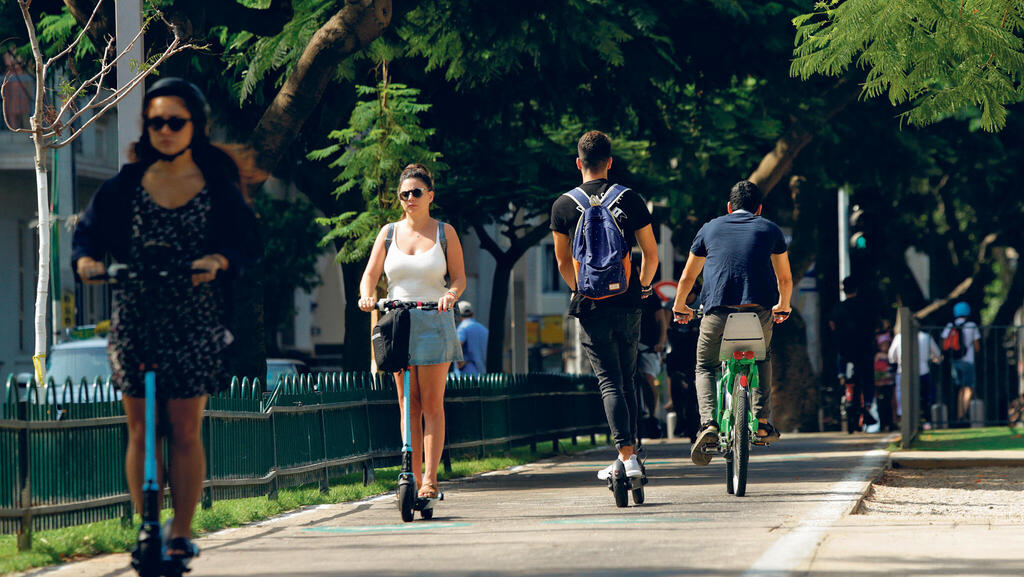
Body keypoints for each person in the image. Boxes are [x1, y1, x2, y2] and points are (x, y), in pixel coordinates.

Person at [72, 78, 260, 561]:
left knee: (184, 429)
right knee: (138, 428)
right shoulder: (127, 185)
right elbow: (86, 237)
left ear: (195, 126)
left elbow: (245, 243)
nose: (165, 131)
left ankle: (180, 530)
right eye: (156, 123)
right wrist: (87, 263)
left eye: (176, 122)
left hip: (193, 319)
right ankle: (146, 525)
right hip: (134, 316)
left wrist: (219, 261)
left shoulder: (216, 186)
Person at [550, 130, 659, 481]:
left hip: (591, 306)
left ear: (578, 163)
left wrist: (581, 288)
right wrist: (641, 288)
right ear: (609, 162)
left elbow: (564, 262)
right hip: (628, 301)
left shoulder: (563, 205)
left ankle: (625, 455)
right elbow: (651, 255)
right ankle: (633, 454)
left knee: (609, 382)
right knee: (627, 378)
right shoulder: (629, 199)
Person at [357, 163, 466, 500]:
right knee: (408, 403)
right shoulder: (388, 233)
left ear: (430, 195)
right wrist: (367, 297)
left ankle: (431, 481)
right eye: (404, 194)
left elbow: (460, 277)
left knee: (432, 403)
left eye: (416, 192)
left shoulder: (445, 232)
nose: (410, 199)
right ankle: (411, 475)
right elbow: (370, 274)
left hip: (434, 318)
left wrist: (451, 295)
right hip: (397, 321)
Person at [672, 180, 792, 465]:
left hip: (716, 312)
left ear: (729, 207)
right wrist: (783, 306)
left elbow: (689, 278)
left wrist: (680, 306)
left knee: (705, 365)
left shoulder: (709, 228)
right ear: (759, 209)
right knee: (762, 357)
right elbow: (784, 279)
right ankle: (762, 420)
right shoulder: (770, 229)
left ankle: (709, 425)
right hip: (758, 312)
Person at [828, 276, 878, 431]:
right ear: (857, 289)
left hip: (845, 352)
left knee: (841, 364)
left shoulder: (838, 309)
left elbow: (832, 326)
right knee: (868, 380)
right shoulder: (867, 307)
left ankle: (842, 377)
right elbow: (874, 327)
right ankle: (868, 406)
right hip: (865, 351)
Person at [664, 285, 701, 442]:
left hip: (695, 349)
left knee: (696, 384)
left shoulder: (701, 305)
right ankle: (678, 412)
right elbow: (666, 326)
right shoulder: (671, 305)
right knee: (674, 376)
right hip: (677, 348)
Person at [888, 320, 941, 424]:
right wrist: (930, 358)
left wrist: (898, 360)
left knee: (903, 397)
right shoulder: (925, 337)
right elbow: (937, 354)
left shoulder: (899, 337)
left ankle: (903, 419)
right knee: (926, 397)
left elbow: (891, 357)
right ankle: (926, 421)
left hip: (903, 372)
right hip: (923, 371)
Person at [635, 283, 669, 439]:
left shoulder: (650, 293)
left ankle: (652, 414)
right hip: (631, 344)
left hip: (649, 345)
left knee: (648, 379)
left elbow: (661, 319)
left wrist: (661, 342)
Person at [941, 302, 981, 421]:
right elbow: (977, 346)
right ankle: (963, 414)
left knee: (960, 388)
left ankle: (960, 413)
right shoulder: (972, 325)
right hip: (968, 360)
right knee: (968, 387)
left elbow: (944, 344)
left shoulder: (950, 325)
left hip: (954, 361)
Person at [455, 301, 489, 375]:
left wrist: (460, 364)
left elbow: (457, 346)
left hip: (466, 377)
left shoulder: (462, 328)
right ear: (472, 314)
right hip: (482, 374)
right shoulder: (484, 329)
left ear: (458, 315)